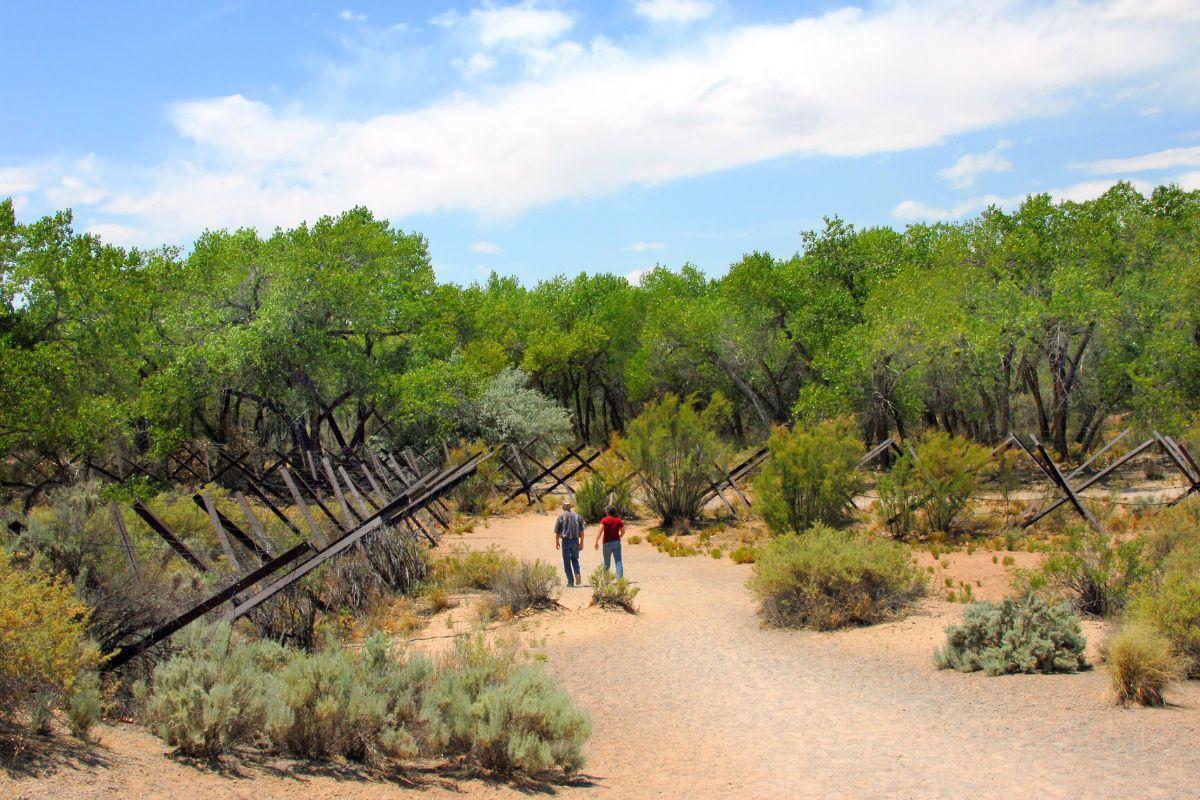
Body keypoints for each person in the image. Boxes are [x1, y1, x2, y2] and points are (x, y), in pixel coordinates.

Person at [554, 498, 585, 586]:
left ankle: (570, 581)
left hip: (566, 541)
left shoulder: (561, 516)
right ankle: (577, 573)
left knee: (567, 561)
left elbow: (557, 531)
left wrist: (557, 541)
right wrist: (582, 542)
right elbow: (582, 531)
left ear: (563, 507)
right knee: (575, 559)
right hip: (575, 541)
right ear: (570, 507)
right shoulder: (577, 516)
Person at [593, 505, 625, 579]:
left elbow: (600, 531)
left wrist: (596, 540)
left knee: (607, 563)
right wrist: (620, 536)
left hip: (606, 543)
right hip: (616, 542)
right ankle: (619, 579)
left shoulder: (604, 520)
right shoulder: (618, 520)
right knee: (618, 562)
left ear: (607, 512)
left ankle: (606, 580)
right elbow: (623, 531)